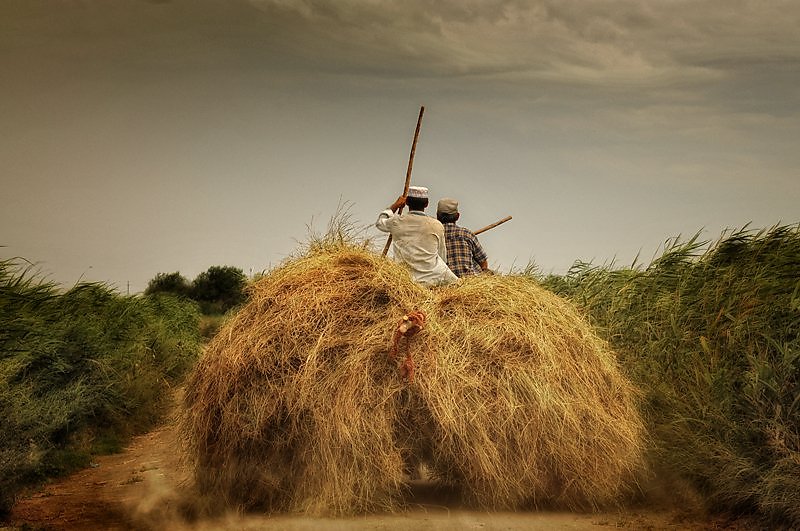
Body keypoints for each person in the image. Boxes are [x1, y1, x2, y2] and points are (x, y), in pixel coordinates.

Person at [376, 186, 458, 287]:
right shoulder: (436, 225)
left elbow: (380, 222)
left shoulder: (396, 222)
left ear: (406, 203)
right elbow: (442, 257)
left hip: (405, 278)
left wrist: (395, 206)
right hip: (432, 278)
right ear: (427, 204)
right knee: (458, 284)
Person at [436, 197, 489, 277]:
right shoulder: (467, 234)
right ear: (457, 216)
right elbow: (483, 263)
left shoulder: (434, 236)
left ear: (437, 216)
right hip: (471, 281)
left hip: (445, 281)